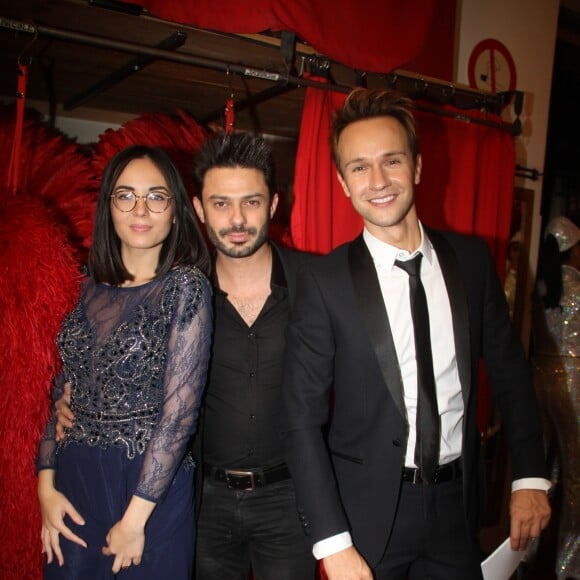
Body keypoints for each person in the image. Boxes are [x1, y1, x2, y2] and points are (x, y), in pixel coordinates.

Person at [280, 88, 552, 580]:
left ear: (418, 167)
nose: (378, 181)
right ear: (342, 183)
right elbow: (301, 419)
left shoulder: (470, 260)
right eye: (359, 167)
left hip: (458, 504)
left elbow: (510, 371)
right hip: (367, 517)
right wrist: (332, 542)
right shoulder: (324, 282)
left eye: (392, 161)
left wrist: (529, 476)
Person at [54, 133, 316, 579]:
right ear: (197, 209)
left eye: (251, 202)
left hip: (289, 498)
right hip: (202, 497)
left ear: (273, 205)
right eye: (219, 203)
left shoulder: (316, 283)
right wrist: (74, 402)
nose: (236, 218)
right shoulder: (179, 291)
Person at [37, 145, 212, 578]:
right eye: (125, 195)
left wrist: (135, 521)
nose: (140, 209)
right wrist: (45, 486)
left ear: (175, 211)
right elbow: (59, 390)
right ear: (109, 207)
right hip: (73, 483)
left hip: (148, 489)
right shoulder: (79, 288)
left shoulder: (185, 287)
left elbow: (179, 415)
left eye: (156, 196)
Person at [532, 216, 580, 580]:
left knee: (537, 474)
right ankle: (568, 566)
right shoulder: (576, 286)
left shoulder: (542, 286)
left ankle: (524, 553)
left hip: (537, 379)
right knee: (576, 478)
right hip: (571, 385)